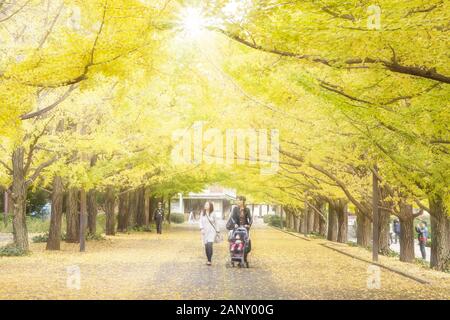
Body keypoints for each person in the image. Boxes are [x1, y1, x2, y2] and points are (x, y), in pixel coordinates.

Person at [199, 201, 220, 266]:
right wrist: (201, 228)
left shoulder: (213, 213)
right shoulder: (202, 213)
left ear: (210, 206)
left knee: (209, 245)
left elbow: (216, 222)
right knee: (206, 246)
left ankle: (209, 260)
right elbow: (200, 221)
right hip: (205, 232)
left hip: (212, 231)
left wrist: (217, 230)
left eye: (207, 205)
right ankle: (208, 258)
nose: (205, 206)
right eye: (205, 204)